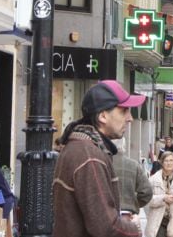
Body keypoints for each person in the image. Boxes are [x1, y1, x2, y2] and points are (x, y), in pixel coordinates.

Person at [53, 79, 145, 237]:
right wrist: (134, 228)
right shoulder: (89, 156)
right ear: (103, 116)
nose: (130, 118)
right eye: (124, 111)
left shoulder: (82, 147)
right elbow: (106, 228)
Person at [144, 152, 173, 237]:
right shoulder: (153, 179)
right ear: (162, 163)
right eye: (166, 161)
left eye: (171, 160)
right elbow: (147, 199)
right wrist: (163, 198)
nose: (169, 163)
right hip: (158, 220)